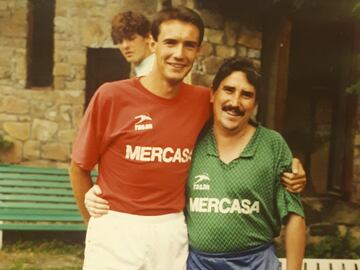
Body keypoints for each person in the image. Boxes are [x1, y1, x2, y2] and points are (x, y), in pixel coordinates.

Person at [70, 7, 210, 270]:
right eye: (170, 42)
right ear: (152, 44)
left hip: (170, 230)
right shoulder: (111, 96)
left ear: (198, 51)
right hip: (115, 227)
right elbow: (79, 168)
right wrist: (97, 226)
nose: (179, 54)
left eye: (189, 45)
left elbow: (240, 122)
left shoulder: (203, 101)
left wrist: (290, 165)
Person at [186, 57, 305, 270]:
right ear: (213, 94)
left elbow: (295, 215)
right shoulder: (192, 138)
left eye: (247, 95)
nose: (235, 103)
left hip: (256, 263)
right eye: (229, 90)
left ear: (256, 103)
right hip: (198, 264)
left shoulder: (272, 145)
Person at [111, 10, 155, 76]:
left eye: (131, 39)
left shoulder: (156, 72)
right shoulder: (138, 70)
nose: (125, 46)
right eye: (120, 41)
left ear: (148, 37)